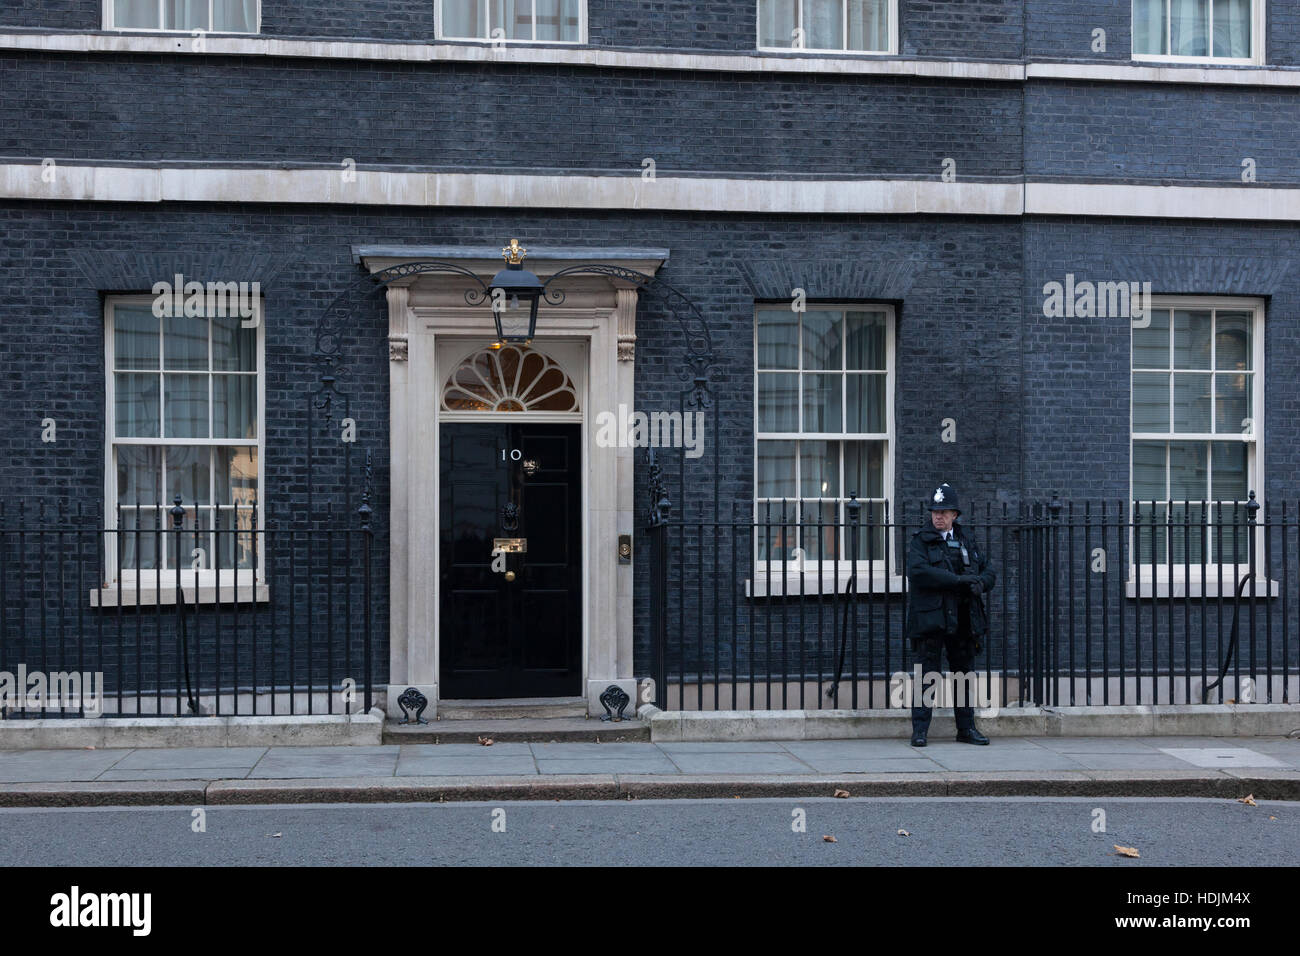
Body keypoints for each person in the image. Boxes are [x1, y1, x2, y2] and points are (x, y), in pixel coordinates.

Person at [905, 483, 996, 747]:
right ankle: (920, 731)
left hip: (964, 618)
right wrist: (958, 580)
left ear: (955, 514)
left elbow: (988, 570)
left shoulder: (967, 539)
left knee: (964, 676)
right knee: (927, 677)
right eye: (935, 511)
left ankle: (966, 729)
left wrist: (980, 583)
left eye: (944, 511)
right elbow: (919, 572)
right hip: (932, 620)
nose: (938, 516)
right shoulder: (920, 540)